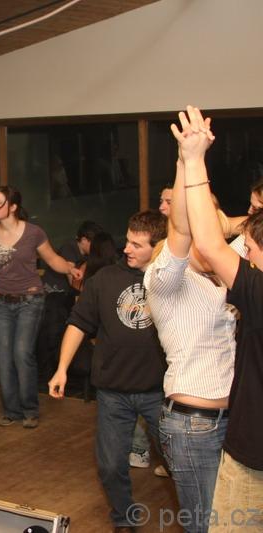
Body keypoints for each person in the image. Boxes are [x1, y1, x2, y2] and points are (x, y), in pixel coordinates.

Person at [48, 210, 167, 532]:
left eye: (137, 245)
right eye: (127, 241)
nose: (126, 249)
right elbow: (78, 324)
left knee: (180, 463)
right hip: (114, 392)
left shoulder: (169, 280)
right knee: (111, 465)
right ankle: (124, 519)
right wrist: (62, 369)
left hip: (160, 392)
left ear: (158, 247)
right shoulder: (104, 280)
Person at [143, 124, 236, 533]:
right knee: (204, 525)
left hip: (234, 419)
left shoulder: (223, 276)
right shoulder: (165, 279)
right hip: (192, 425)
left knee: (232, 521)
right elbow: (180, 229)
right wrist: (186, 160)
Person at [174, 106, 263, 531]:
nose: (248, 256)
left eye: (253, 250)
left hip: (254, 460)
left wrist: (193, 160)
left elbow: (209, 245)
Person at [0, 185, 82, 428]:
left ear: (13, 207)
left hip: (30, 299)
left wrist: (70, 268)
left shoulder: (34, 233)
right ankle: (11, 411)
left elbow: (52, 259)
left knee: (22, 352)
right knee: (3, 356)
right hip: (2, 302)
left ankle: (30, 409)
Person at [37, 220, 103, 380]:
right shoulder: (70, 248)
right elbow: (72, 279)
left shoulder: (83, 254)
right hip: (53, 294)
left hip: (63, 296)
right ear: (84, 240)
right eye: (93, 243)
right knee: (55, 331)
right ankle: (51, 369)